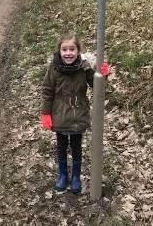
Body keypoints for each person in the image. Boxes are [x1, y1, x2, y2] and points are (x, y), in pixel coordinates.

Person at [41, 33, 109, 194]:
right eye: (64, 49)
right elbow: (47, 90)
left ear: (78, 51)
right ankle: (63, 175)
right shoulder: (54, 68)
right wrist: (46, 113)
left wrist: (103, 76)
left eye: (72, 49)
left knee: (77, 147)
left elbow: (96, 86)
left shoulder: (83, 68)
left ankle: (76, 177)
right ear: (59, 51)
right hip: (60, 116)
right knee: (62, 146)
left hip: (79, 115)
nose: (68, 53)